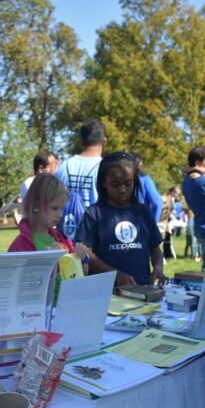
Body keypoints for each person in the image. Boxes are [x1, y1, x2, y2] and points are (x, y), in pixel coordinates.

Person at [75, 152, 167, 287]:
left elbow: (155, 248)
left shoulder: (142, 212)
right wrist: (115, 274)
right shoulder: (94, 214)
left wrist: (158, 268)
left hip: (140, 288)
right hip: (105, 291)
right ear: (104, 183)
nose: (123, 190)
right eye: (115, 185)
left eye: (128, 184)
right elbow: (87, 252)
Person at [9, 173, 89, 263]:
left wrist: (80, 258)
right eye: (54, 208)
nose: (60, 215)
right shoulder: (20, 246)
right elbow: (16, 276)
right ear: (36, 206)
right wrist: (48, 261)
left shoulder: (63, 240)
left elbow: (82, 274)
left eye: (61, 208)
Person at [56, 118, 106, 239]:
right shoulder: (105, 167)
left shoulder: (64, 166)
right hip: (95, 236)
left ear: (81, 141)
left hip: (65, 236)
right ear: (104, 141)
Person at [131, 153, 163, 222]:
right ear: (139, 164)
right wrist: (153, 224)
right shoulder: (144, 180)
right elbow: (157, 202)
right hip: (140, 222)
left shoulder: (118, 180)